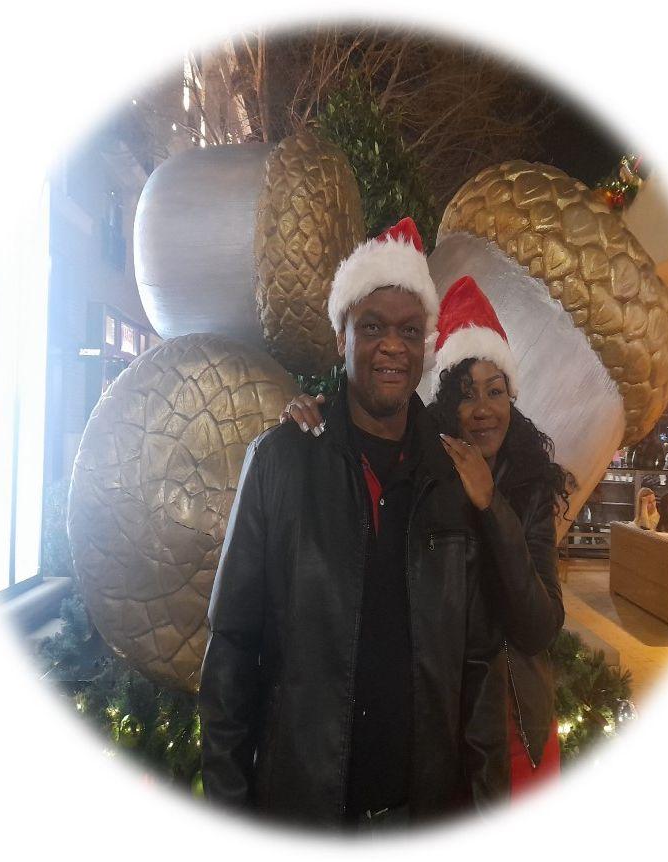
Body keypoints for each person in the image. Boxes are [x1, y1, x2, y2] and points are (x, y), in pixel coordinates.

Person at [198, 219, 507, 831]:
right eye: (372, 327)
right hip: (303, 810)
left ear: (425, 346)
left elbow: (477, 665)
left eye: (409, 331)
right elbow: (232, 647)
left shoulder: (453, 478)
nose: (392, 346)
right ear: (342, 336)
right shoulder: (280, 463)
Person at [282, 274, 569, 800]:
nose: (482, 409)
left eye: (496, 391)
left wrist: (493, 506)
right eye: (465, 395)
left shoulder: (530, 489)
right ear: (445, 408)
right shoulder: (425, 474)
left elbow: (538, 627)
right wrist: (313, 411)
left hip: (513, 720)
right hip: (438, 727)